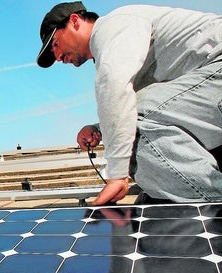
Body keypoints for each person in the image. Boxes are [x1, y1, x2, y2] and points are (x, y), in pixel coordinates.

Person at [36, 2, 222, 205]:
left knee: (131, 128)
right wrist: (99, 128)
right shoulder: (118, 50)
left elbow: (119, 95)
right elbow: (144, 105)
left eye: (55, 44)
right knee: (134, 133)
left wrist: (117, 175)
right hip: (209, 89)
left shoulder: (113, 27)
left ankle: (213, 206)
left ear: (74, 21)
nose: (58, 57)